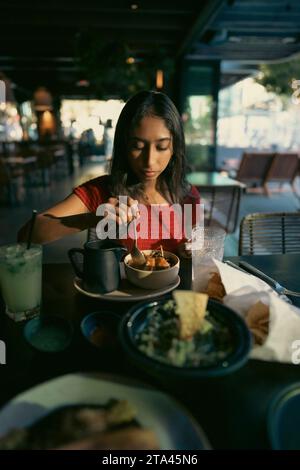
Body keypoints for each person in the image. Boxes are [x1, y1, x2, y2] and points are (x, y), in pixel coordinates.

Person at [18, 91, 201, 256]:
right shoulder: (102, 191)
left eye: (161, 147)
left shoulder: (187, 196)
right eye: (137, 146)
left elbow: (193, 246)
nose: (149, 161)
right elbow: (27, 234)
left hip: (172, 291)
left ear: (175, 147)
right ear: (124, 145)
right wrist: (93, 217)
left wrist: (189, 250)